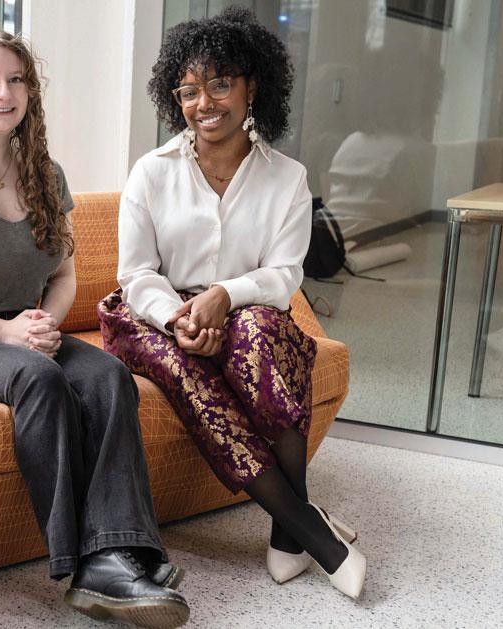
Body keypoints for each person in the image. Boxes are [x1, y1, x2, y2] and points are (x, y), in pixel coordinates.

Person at [0, 24, 189, 628]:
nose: (5, 92)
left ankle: (118, 549)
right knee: (40, 379)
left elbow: (63, 275)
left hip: (23, 331)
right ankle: (85, 563)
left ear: (31, 92)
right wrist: (6, 335)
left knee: (107, 376)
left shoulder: (46, 175)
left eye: (17, 79)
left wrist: (46, 324)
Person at [98, 7, 367, 599]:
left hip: (248, 309)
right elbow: (137, 272)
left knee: (259, 335)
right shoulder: (150, 172)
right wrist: (179, 314)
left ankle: (285, 527)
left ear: (252, 87)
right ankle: (310, 531)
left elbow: (283, 274)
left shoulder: (287, 177)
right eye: (189, 90)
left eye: (220, 83)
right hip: (154, 312)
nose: (205, 103)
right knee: (183, 366)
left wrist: (225, 296)